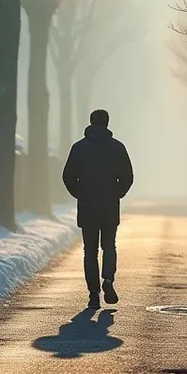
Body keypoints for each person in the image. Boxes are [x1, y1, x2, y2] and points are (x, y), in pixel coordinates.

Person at [61, 109, 134, 308]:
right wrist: (117, 193)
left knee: (90, 251)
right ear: (108, 123)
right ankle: (108, 279)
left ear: (91, 123)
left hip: (87, 206)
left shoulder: (79, 148)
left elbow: (67, 176)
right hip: (109, 206)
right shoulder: (118, 148)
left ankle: (93, 294)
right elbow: (127, 177)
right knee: (109, 246)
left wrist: (80, 193)